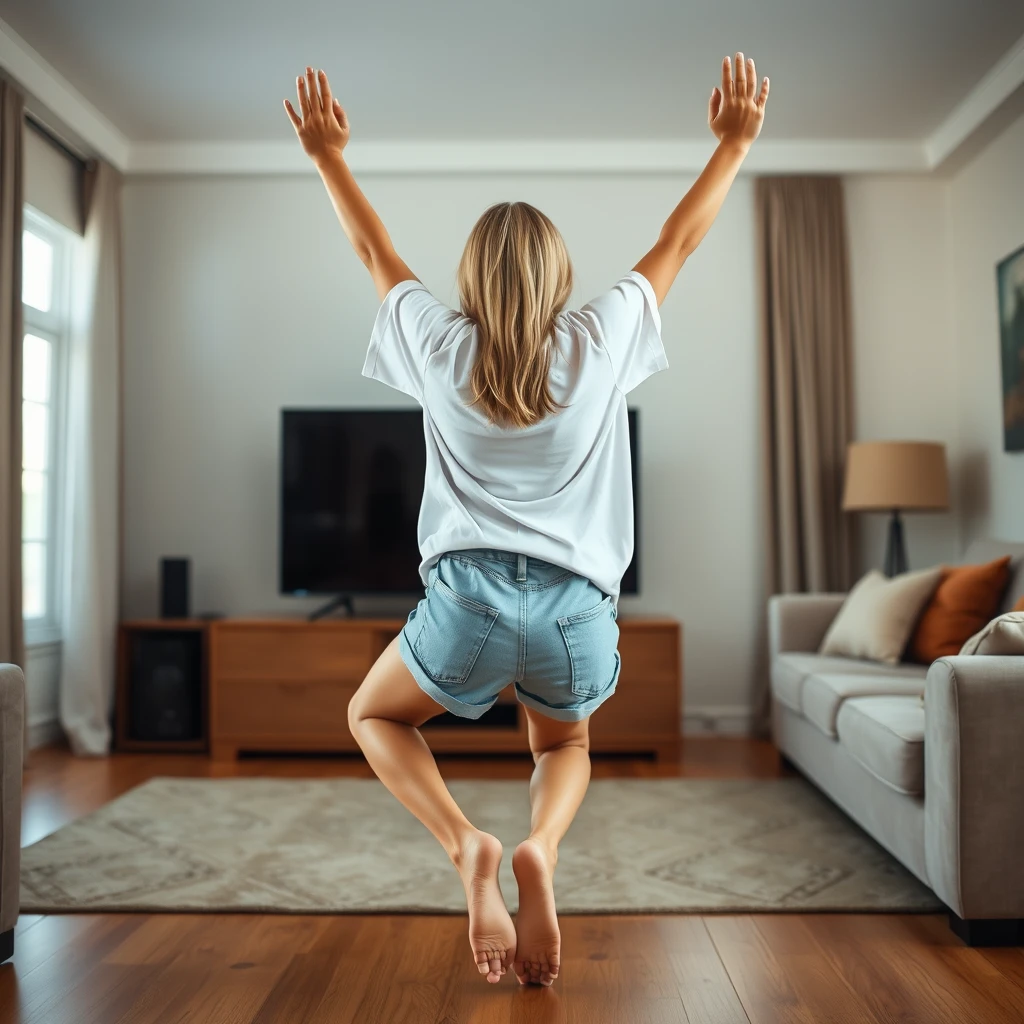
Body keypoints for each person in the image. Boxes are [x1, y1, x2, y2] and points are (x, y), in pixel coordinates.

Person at [284, 55, 769, 986]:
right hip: (576, 613)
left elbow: (371, 249)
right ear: (559, 278)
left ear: (470, 277)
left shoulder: (437, 341)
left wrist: (328, 157)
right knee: (564, 742)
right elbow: (681, 238)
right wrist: (735, 143)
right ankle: (541, 845)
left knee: (372, 715)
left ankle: (468, 845)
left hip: (463, 605)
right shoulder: (600, 338)